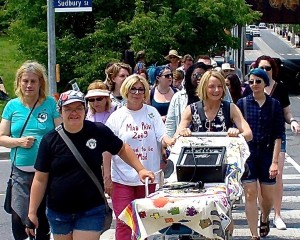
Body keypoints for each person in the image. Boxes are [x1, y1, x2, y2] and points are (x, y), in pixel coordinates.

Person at [26, 90, 156, 240]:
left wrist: (140, 169)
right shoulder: (49, 140)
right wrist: (32, 212)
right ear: (60, 111)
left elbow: (121, 148)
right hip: (59, 211)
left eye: (78, 108)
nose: (74, 113)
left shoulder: (97, 130)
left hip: (90, 208)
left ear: (85, 110)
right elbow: (40, 179)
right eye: (68, 109)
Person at [103, 74, 176, 240]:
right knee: (124, 221)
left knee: (143, 221)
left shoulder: (152, 113)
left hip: (148, 178)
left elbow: (161, 136)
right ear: (126, 91)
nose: (136, 93)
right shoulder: (117, 117)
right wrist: (106, 176)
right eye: (132, 89)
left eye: (140, 89)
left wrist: (170, 141)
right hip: (122, 178)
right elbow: (107, 149)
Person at [0, 61, 61, 240]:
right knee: (18, 219)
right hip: (20, 173)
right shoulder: (12, 106)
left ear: (40, 83)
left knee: (42, 219)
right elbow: (1, 136)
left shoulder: (50, 104)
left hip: (45, 173)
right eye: (25, 81)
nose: (29, 85)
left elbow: (60, 133)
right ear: (19, 82)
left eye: (33, 81)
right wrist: (19, 141)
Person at [244, 55, 300, 230]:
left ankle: (276, 214)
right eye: (261, 68)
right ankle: (262, 214)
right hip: (255, 143)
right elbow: (241, 115)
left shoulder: (279, 91)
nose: (264, 72)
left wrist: (292, 121)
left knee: (276, 175)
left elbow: (287, 113)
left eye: (268, 68)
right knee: (256, 184)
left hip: (276, 138)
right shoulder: (249, 92)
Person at [236, 68, 285, 240]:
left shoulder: (274, 105)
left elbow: (278, 135)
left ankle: (264, 217)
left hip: (267, 153)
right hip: (248, 154)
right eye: (251, 82)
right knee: (250, 193)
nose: (254, 85)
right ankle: (254, 234)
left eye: (258, 81)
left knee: (268, 196)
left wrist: (275, 162)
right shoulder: (241, 104)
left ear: (265, 83)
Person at [174, 70, 252, 142]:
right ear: (203, 88)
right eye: (211, 86)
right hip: (197, 155)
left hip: (224, 155)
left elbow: (248, 134)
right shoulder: (191, 109)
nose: (216, 90)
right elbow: (176, 136)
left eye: (220, 86)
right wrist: (183, 133)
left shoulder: (231, 108)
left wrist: (237, 135)